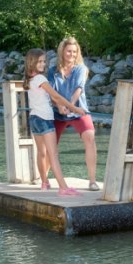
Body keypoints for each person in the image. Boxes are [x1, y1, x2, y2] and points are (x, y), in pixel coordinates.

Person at [23, 48, 85, 197]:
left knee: (41, 153)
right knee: (53, 154)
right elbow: (56, 96)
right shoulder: (40, 79)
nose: (43, 64)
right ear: (31, 62)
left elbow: (45, 99)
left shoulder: (30, 80)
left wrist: (60, 107)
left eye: (44, 61)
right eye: (39, 61)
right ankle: (63, 188)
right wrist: (74, 108)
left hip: (34, 119)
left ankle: (44, 183)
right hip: (45, 119)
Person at [47, 37, 100, 192]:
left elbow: (79, 89)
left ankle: (92, 181)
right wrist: (59, 106)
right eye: (69, 51)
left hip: (78, 110)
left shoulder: (80, 69)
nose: (72, 54)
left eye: (75, 52)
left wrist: (70, 106)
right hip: (57, 112)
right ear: (62, 52)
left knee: (90, 136)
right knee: (49, 144)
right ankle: (43, 179)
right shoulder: (52, 71)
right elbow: (51, 92)